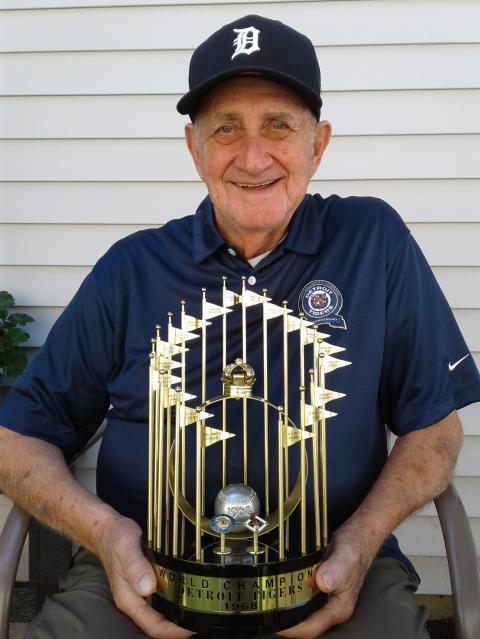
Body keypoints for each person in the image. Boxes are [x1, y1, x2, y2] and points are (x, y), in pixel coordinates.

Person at [1, 14, 479, 639]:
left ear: (320, 142)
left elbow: (435, 429)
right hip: (143, 573)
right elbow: (16, 442)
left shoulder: (373, 242)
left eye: (279, 125)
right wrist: (106, 535)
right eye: (226, 129)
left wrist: (362, 541)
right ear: (194, 147)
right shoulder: (132, 268)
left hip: (335, 567)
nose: (254, 157)